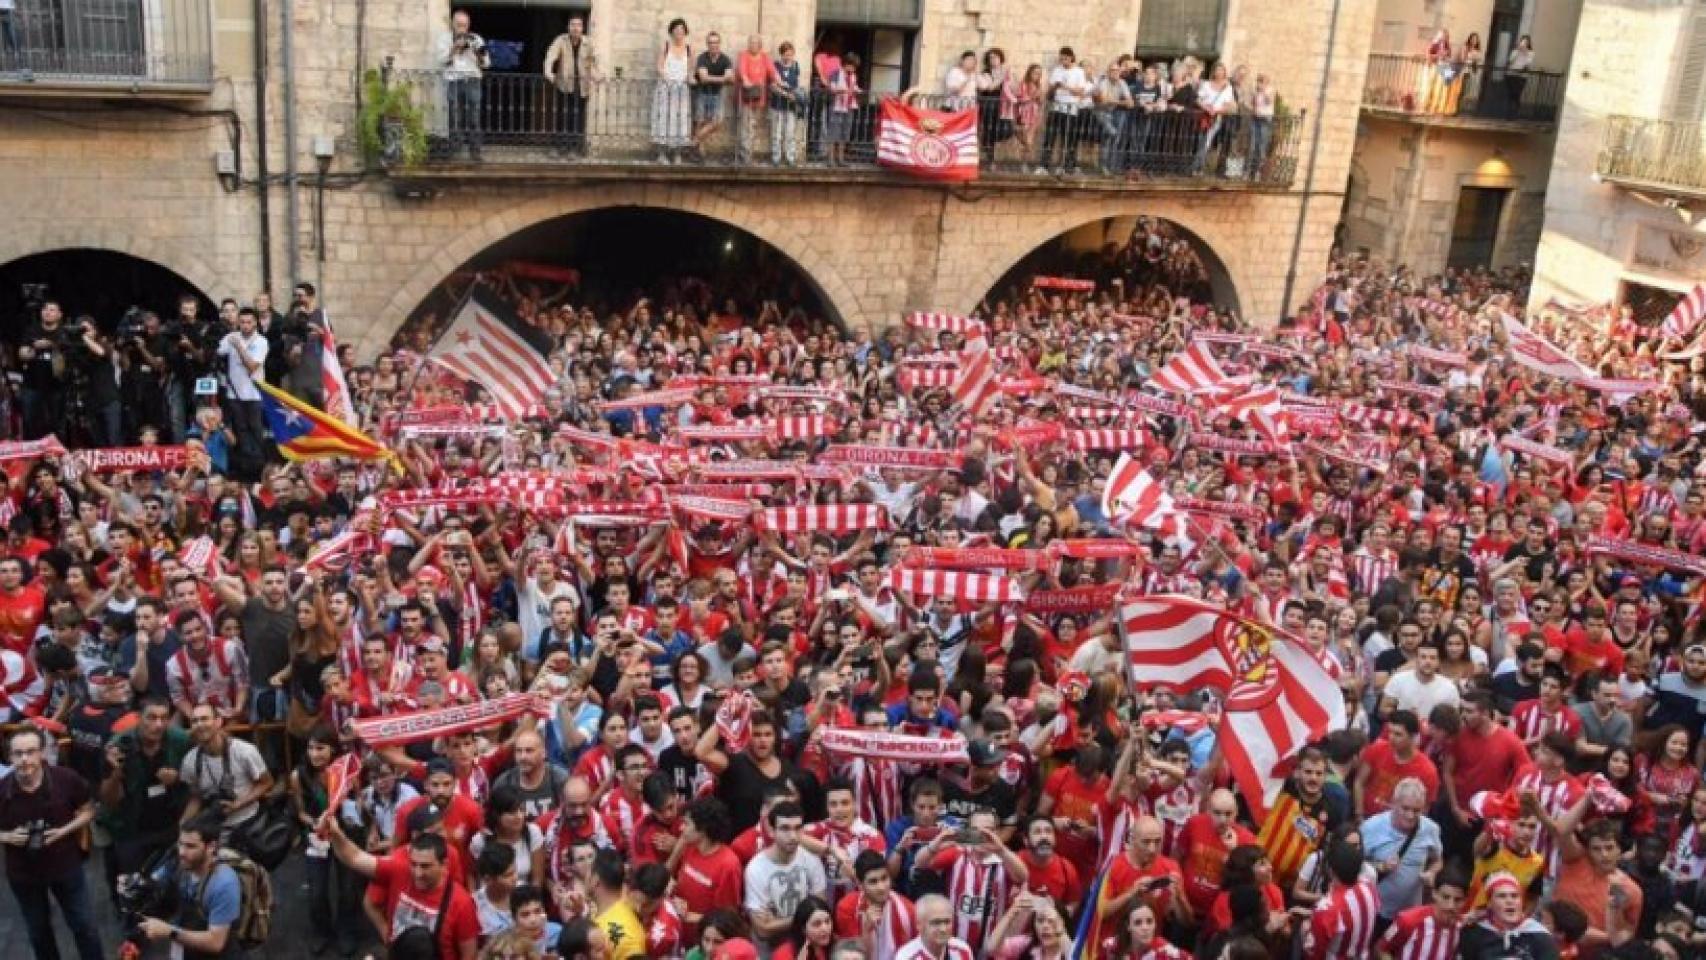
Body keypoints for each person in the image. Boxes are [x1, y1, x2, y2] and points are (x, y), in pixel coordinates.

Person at [0, 727, 104, 960]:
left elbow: (88, 811)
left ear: (42, 753)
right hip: (23, 874)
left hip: (66, 866)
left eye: (30, 752)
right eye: (18, 753)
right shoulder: (2, 789)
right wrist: (6, 837)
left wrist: (63, 831)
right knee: (38, 933)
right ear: (9, 756)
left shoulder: (66, 779)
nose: (24, 759)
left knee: (84, 926)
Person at [325, 819, 481, 960]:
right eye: (413, 864)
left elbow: (469, 954)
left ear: (444, 865)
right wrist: (335, 832)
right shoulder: (399, 870)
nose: (418, 873)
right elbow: (354, 858)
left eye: (426, 866)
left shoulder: (462, 903)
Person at [132, 814, 243, 959]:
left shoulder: (224, 883)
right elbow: (155, 881)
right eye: (180, 844)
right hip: (186, 945)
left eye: (190, 846)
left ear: (211, 847)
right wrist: (136, 886)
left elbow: (216, 942)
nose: (182, 852)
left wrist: (169, 931)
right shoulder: (180, 863)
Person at [743, 801, 828, 952]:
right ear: (771, 830)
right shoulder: (756, 869)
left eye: (798, 828)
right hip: (770, 951)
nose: (793, 836)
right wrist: (807, 917)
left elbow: (821, 909)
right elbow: (762, 930)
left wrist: (775, 923)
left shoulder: (811, 858)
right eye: (785, 828)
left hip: (806, 945)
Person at [181, 700, 274, 828]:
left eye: (204, 719)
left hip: (249, 821)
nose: (199, 725)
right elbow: (196, 797)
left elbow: (266, 782)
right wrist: (184, 824)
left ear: (218, 721)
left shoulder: (245, 751)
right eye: (194, 721)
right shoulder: (190, 760)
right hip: (213, 825)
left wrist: (238, 804)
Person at [1300, 838, 1380, 960]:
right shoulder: (1369, 888)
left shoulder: (1326, 909)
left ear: (1331, 871)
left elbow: (1313, 952)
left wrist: (1305, 931)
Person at [1458, 872, 1558, 959]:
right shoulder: (1474, 934)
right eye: (1502, 896)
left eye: (1514, 896)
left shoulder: (1540, 936)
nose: (1509, 901)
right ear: (1489, 903)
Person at [542, 16, 598, 157]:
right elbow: (551, 55)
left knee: (577, 117)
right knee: (562, 116)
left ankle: (574, 148)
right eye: (573, 25)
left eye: (578, 25)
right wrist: (549, 71)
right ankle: (560, 147)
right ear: (568, 27)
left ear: (582, 28)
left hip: (582, 86)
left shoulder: (588, 43)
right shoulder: (561, 40)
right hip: (565, 85)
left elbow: (597, 59)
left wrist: (599, 73)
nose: (575, 28)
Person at [440, 8, 489, 160]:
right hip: (454, 81)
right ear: (452, 24)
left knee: (474, 117)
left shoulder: (476, 38)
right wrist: (454, 49)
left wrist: (476, 52)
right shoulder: (444, 39)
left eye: (464, 25)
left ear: (468, 25)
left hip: (473, 80)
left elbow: (487, 63)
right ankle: (455, 150)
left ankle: (475, 152)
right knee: (455, 117)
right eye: (459, 24)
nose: (462, 28)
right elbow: (441, 60)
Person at [1040, 47, 1090, 174]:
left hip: (1070, 109)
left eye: (1066, 58)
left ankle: (1067, 166)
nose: (1063, 61)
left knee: (1069, 139)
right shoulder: (1057, 70)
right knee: (1050, 137)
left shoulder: (1079, 72)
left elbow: (1080, 92)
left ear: (1072, 57)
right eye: (1061, 58)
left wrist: (1065, 87)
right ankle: (1044, 165)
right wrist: (1054, 88)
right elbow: (1050, 89)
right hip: (1056, 108)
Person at [652, 19, 694, 163]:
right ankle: (662, 154)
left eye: (682, 30)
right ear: (672, 32)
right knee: (664, 118)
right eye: (676, 29)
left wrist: (690, 79)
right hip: (666, 88)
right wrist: (666, 79)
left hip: (681, 90)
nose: (679, 32)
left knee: (680, 119)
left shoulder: (689, 49)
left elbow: (690, 70)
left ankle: (677, 154)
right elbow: (659, 67)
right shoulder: (666, 46)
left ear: (685, 32)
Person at [691, 32, 735, 161]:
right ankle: (699, 153)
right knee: (700, 121)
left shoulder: (725, 59)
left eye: (716, 42)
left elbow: (731, 79)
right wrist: (723, 79)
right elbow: (703, 78)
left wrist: (712, 78)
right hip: (702, 92)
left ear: (719, 44)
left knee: (717, 121)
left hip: (717, 94)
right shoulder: (702, 58)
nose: (713, 45)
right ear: (707, 44)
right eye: (710, 43)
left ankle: (694, 141)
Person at [894, 894, 973, 960]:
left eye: (947, 922)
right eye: (936, 923)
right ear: (919, 925)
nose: (943, 929)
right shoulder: (906, 957)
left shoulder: (963, 950)